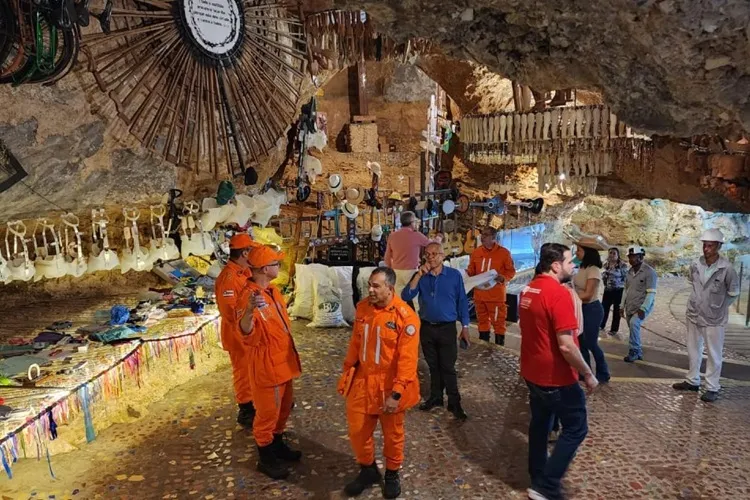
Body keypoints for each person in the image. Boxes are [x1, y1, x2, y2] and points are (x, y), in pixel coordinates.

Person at [519, 243, 598, 500]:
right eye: (568, 261)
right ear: (555, 266)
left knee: (540, 424)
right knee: (576, 427)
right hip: (556, 376)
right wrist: (587, 373)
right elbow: (566, 346)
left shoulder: (529, 289)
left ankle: (537, 473)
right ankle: (546, 485)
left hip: (532, 372)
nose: (573, 265)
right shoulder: (558, 294)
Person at [340, 267, 421, 499]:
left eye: (376, 286)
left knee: (393, 434)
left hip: (389, 385)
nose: (371, 290)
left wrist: (396, 394)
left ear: (390, 288)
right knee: (357, 431)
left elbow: (407, 360)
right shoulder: (363, 308)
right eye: (369, 285)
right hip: (363, 381)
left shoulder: (405, 317)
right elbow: (356, 343)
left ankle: (392, 473)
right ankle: (368, 471)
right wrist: (348, 371)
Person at [241, 244, 302, 479]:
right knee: (267, 413)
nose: (279, 266)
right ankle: (266, 458)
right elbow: (245, 331)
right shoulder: (249, 297)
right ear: (265, 269)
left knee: (284, 408)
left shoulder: (273, 292)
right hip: (267, 365)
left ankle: (276, 444)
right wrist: (248, 312)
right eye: (276, 264)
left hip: (284, 360)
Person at [402, 242, 471, 420]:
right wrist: (418, 275)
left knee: (447, 367)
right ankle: (436, 397)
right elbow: (405, 296)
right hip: (427, 327)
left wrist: (465, 326)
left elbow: (462, 301)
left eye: (434, 254)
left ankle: (455, 402)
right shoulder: (421, 276)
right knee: (433, 365)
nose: (431, 258)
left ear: (442, 256)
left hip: (447, 328)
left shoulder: (454, 276)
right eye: (427, 255)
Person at [673, 229, 739, 402]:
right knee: (693, 348)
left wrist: (720, 308)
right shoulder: (695, 264)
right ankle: (692, 380)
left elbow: (733, 293)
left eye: (710, 246)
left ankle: (712, 387)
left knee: (714, 353)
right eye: (704, 245)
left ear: (718, 246)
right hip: (694, 314)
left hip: (714, 318)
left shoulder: (727, 269)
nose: (706, 249)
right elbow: (693, 286)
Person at [214, 233, 256, 429]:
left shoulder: (243, 272)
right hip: (237, 332)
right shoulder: (229, 278)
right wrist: (245, 325)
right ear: (245, 252)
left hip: (247, 329)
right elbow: (229, 311)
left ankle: (255, 402)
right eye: (252, 250)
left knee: (251, 369)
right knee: (242, 372)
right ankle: (246, 409)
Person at [467, 226, 516, 345]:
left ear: (493, 238)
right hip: (479, 295)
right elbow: (471, 271)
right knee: (482, 322)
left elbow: (511, 271)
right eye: (482, 234)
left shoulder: (504, 253)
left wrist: (503, 278)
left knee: (498, 323)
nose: (482, 237)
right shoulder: (476, 252)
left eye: (485, 235)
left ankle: (499, 348)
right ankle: (484, 346)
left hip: (496, 296)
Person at [573, 239, 610, 383]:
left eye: (579, 250)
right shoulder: (579, 266)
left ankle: (603, 372)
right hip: (580, 308)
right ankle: (585, 372)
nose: (576, 252)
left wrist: (570, 297)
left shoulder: (593, 270)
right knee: (581, 342)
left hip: (591, 309)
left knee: (591, 343)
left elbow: (588, 295)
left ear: (587, 253)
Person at [384, 211, 436, 311]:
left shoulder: (392, 236)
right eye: (415, 221)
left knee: (397, 299)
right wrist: (438, 239)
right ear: (412, 223)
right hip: (411, 272)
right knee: (416, 299)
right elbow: (432, 245)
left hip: (396, 271)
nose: (416, 223)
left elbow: (387, 257)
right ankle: (418, 322)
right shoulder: (417, 235)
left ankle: (398, 321)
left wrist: (391, 269)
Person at [620, 246, 658, 363]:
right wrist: (621, 306)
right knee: (632, 328)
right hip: (630, 305)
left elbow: (651, 293)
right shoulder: (629, 272)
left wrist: (643, 308)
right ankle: (638, 351)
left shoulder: (649, 273)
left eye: (633, 257)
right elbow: (626, 290)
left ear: (641, 257)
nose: (631, 259)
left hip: (642, 305)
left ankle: (634, 351)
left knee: (634, 323)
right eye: (630, 257)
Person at [600, 248, 628, 336]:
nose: (612, 255)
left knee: (616, 311)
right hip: (608, 290)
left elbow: (625, 278)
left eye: (614, 253)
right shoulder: (605, 264)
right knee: (604, 309)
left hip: (618, 290)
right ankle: (601, 325)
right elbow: (603, 275)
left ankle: (614, 329)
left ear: (618, 255)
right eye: (610, 253)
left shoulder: (622, 265)